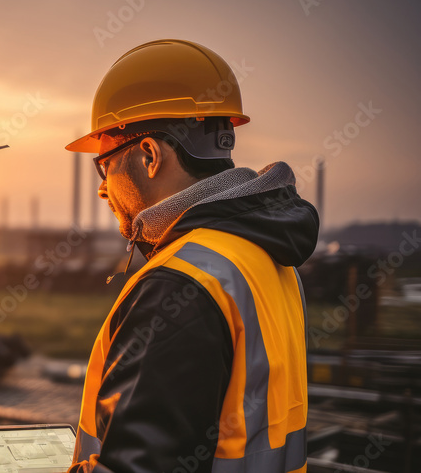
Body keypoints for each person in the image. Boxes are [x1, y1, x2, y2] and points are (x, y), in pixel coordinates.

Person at [65, 39, 319, 472]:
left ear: (148, 155)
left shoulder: (180, 285)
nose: (102, 187)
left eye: (103, 163)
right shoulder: (267, 257)